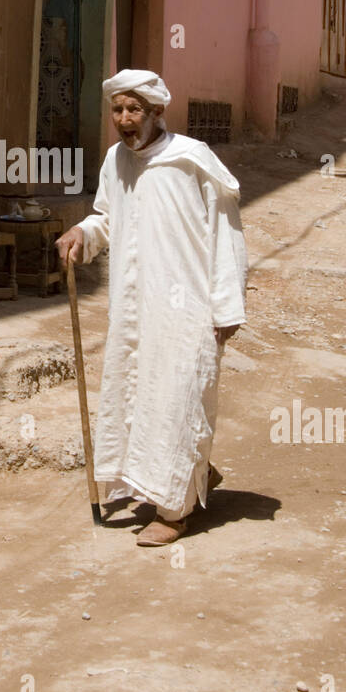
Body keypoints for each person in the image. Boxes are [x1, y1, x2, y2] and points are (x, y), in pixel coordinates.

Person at [55, 69, 248, 547]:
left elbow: (226, 233)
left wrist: (226, 306)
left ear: (156, 112)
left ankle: (174, 511)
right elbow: (107, 217)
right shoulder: (115, 161)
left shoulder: (191, 160)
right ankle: (188, 474)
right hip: (133, 307)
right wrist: (84, 233)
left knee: (179, 396)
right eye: (117, 109)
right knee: (141, 398)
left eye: (134, 109)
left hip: (186, 310)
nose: (124, 119)